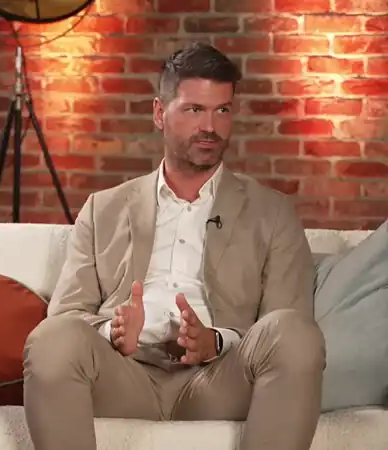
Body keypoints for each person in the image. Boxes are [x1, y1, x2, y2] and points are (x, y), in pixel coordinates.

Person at [22, 42, 325, 450]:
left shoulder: (273, 213)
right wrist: (112, 333)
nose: (211, 127)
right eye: (195, 110)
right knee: (52, 338)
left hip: (219, 380)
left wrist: (215, 341)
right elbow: (67, 313)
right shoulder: (104, 209)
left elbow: (284, 322)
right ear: (159, 113)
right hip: (123, 374)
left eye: (223, 110)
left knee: (296, 333)